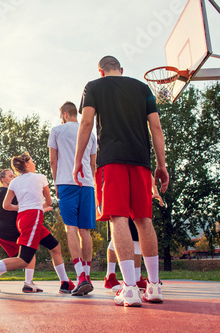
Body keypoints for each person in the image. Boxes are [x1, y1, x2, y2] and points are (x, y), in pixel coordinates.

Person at [73, 56, 169, 307]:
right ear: (121, 70)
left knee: (118, 217)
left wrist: (77, 162)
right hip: (141, 161)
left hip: (112, 160)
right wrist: (161, 165)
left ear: (101, 71)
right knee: (144, 219)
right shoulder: (142, 87)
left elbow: (86, 123)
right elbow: (156, 128)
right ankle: (155, 287)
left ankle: (129, 288)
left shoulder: (93, 86)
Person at [0, 153, 75, 295]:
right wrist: (37, 207)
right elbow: (49, 202)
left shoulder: (15, 182)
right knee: (24, 260)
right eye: (32, 161)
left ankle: (65, 283)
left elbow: (6, 205)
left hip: (25, 218)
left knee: (55, 246)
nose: (34, 164)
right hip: (32, 218)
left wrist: (25, 207)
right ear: (26, 164)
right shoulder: (40, 177)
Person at [48, 101, 97, 296]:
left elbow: (53, 161)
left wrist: (56, 184)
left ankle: (80, 277)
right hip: (86, 184)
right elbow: (93, 163)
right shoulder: (90, 133)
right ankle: (87, 274)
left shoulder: (57, 131)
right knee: (85, 231)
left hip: (66, 182)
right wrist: (89, 182)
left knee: (71, 229)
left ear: (64, 114)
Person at [105, 181, 164, 292]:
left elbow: (147, 170)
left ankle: (136, 278)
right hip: (118, 185)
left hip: (135, 186)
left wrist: (155, 191)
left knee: (136, 236)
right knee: (118, 233)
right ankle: (110, 275)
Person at [0, 168, 42, 293]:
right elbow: (22, 205)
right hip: (8, 232)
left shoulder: (2, 192)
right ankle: (28, 283)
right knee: (29, 253)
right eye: (10, 176)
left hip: (1, 232)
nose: (13, 178)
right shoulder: (5, 192)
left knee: (17, 260)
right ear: (3, 179)